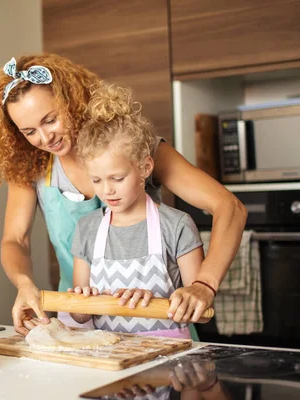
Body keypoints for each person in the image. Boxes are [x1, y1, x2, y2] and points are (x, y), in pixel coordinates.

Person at [0, 54, 247, 335]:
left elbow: (229, 207)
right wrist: (24, 283)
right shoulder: (33, 166)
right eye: (30, 131)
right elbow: (15, 240)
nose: (45, 138)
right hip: (81, 320)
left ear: (71, 101)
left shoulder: (132, 146)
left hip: (160, 323)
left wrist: (203, 285)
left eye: (50, 120)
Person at [68, 83, 203, 339]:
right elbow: (79, 316)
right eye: (96, 180)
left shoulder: (177, 226)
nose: (107, 191)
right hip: (109, 359)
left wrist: (153, 302)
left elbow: (200, 306)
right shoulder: (87, 229)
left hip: (168, 361)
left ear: (144, 167)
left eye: (117, 178)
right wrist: (82, 302)